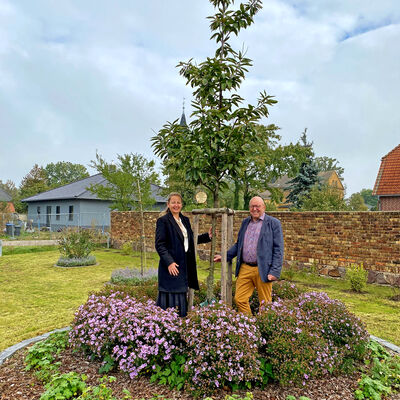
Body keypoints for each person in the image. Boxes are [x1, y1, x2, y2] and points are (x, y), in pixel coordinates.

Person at [214, 196, 284, 314]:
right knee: (239, 299)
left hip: (264, 269)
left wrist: (275, 271)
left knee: (265, 303)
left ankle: (264, 327)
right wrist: (225, 256)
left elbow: (279, 249)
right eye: (252, 206)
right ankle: (250, 325)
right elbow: (239, 244)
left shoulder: (273, 223)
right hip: (245, 268)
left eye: (258, 206)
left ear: (264, 207)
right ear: (249, 208)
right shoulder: (245, 222)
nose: (255, 209)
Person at [155, 192, 212, 317]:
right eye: (173, 202)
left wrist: (207, 236)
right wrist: (169, 262)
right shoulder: (163, 221)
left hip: (184, 265)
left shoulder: (185, 220)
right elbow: (160, 245)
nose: (176, 205)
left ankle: (179, 325)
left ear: (182, 204)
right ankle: (165, 327)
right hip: (171, 266)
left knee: (181, 295)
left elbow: (190, 239)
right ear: (168, 204)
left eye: (178, 202)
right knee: (170, 296)